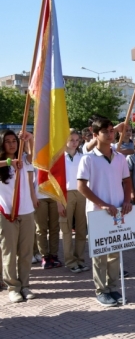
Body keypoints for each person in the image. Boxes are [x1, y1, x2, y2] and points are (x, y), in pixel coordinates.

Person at [77, 118, 133, 307]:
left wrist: (126, 200)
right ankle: (101, 290)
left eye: (112, 131)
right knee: (100, 253)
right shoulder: (88, 158)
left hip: (118, 211)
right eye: (106, 131)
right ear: (95, 135)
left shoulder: (120, 158)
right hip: (97, 212)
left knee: (115, 251)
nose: (111, 134)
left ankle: (113, 287)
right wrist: (101, 204)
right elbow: (81, 187)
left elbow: (127, 181)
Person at [0, 130, 36, 303]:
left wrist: (30, 138)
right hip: (7, 213)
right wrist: (8, 162)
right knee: (9, 251)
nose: (12, 144)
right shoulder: (4, 163)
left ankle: (25, 285)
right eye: (7, 141)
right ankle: (13, 287)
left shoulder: (24, 160)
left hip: (26, 211)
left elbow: (36, 156)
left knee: (26, 252)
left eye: (14, 140)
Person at [60, 130, 89, 273]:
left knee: (81, 229)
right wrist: (59, 201)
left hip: (81, 193)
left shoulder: (82, 157)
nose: (74, 143)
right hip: (65, 194)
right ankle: (70, 261)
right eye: (71, 139)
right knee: (66, 229)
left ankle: (80, 259)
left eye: (77, 140)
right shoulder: (59, 158)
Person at [33, 165, 62, 269]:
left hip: (54, 196)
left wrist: (60, 199)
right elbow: (31, 179)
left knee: (55, 228)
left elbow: (59, 178)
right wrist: (33, 197)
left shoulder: (55, 157)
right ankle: (44, 256)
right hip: (40, 196)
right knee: (41, 228)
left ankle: (54, 255)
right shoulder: (35, 158)